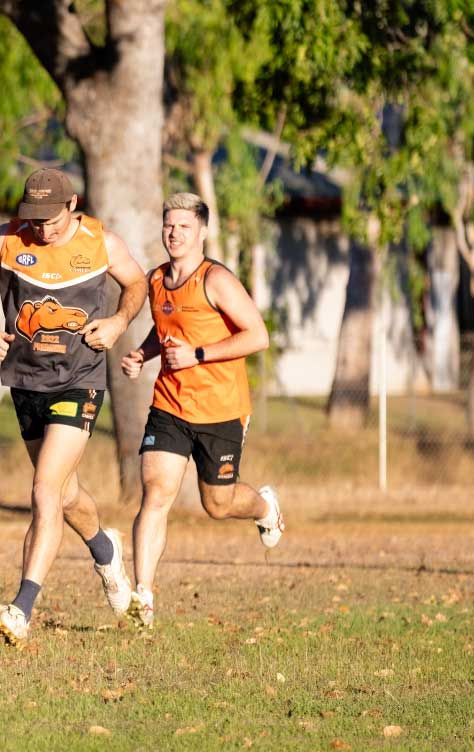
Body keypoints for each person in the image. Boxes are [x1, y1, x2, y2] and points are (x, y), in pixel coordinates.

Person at [0, 168, 148, 647]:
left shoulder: (101, 242)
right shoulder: (6, 239)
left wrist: (117, 322)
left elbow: (137, 286)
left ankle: (21, 608)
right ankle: (105, 548)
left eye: (50, 218)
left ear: (72, 207)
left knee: (44, 488)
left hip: (79, 380)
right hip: (25, 381)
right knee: (64, 494)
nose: (41, 227)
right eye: (34, 218)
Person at [120, 192, 285, 630]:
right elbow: (166, 330)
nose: (174, 234)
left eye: (184, 227)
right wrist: (142, 354)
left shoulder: (217, 281)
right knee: (156, 493)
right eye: (169, 226)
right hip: (169, 405)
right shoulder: (156, 280)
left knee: (218, 503)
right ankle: (144, 598)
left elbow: (258, 336)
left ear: (203, 232)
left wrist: (198, 354)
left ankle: (265, 508)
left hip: (221, 410)